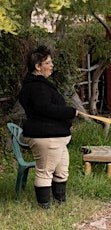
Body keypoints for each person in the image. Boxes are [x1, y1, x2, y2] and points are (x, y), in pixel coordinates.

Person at [19, 45, 78, 209]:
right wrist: (70, 112)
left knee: (61, 170)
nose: (52, 65)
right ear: (38, 66)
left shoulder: (38, 85)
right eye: (48, 62)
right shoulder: (36, 87)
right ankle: (43, 209)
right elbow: (45, 108)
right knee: (45, 172)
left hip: (56, 138)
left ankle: (60, 204)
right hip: (46, 136)